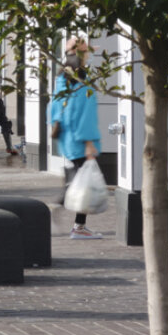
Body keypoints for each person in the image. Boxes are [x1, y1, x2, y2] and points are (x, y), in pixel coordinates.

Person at [50, 42, 103, 238]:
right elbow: (85, 112)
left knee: (78, 179)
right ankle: (76, 224)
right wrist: (88, 141)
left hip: (68, 137)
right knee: (84, 183)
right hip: (80, 139)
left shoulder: (62, 77)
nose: (89, 55)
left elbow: (54, 108)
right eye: (87, 52)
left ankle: (74, 222)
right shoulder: (80, 78)